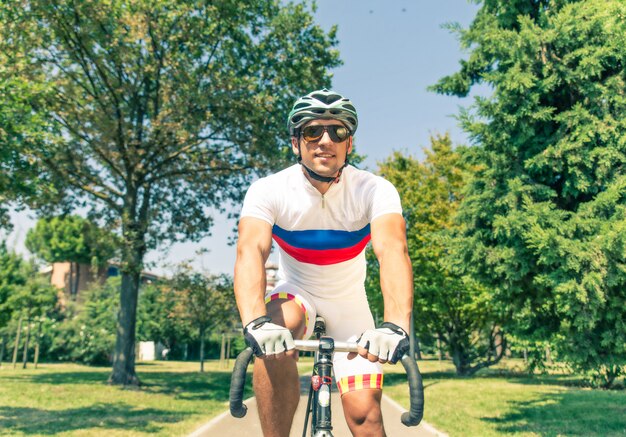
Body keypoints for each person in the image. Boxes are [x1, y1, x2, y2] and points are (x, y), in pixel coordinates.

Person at [234, 89, 413, 436]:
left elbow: (393, 251)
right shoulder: (268, 190)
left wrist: (395, 325)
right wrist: (254, 322)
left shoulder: (375, 190)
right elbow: (250, 252)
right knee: (278, 330)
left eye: (338, 132)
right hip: (297, 293)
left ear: (350, 144)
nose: (325, 140)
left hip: (350, 306)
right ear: (296, 142)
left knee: (366, 418)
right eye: (312, 132)